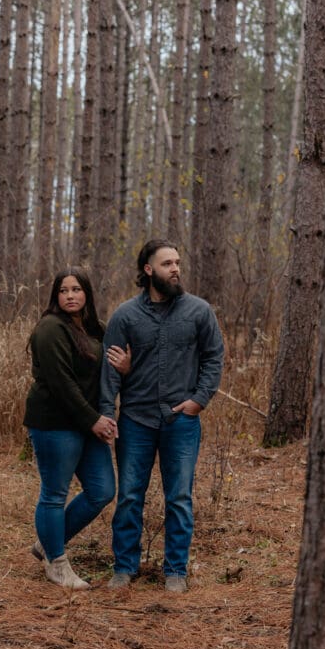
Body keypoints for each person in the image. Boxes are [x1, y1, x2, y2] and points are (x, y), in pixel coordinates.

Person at [101, 240, 224, 594]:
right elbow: (110, 370)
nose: (176, 269)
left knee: (180, 498)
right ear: (148, 270)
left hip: (180, 421)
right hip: (135, 420)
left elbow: (214, 357)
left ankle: (176, 572)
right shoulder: (125, 316)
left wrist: (199, 400)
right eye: (167, 263)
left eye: (178, 262)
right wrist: (108, 413)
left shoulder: (199, 312)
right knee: (129, 496)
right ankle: (124, 567)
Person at [24, 268, 129, 590]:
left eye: (77, 289)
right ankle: (56, 564)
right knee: (55, 493)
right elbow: (61, 384)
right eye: (63, 290)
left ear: (87, 294)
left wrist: (125, 368)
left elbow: (107, 375)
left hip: (87, 423)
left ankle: (48, 541)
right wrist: (94, 420)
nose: (70, 296)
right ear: (56, 296)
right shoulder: (50, 328)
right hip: (56, 423)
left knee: (102, 491)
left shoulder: (97, 329)